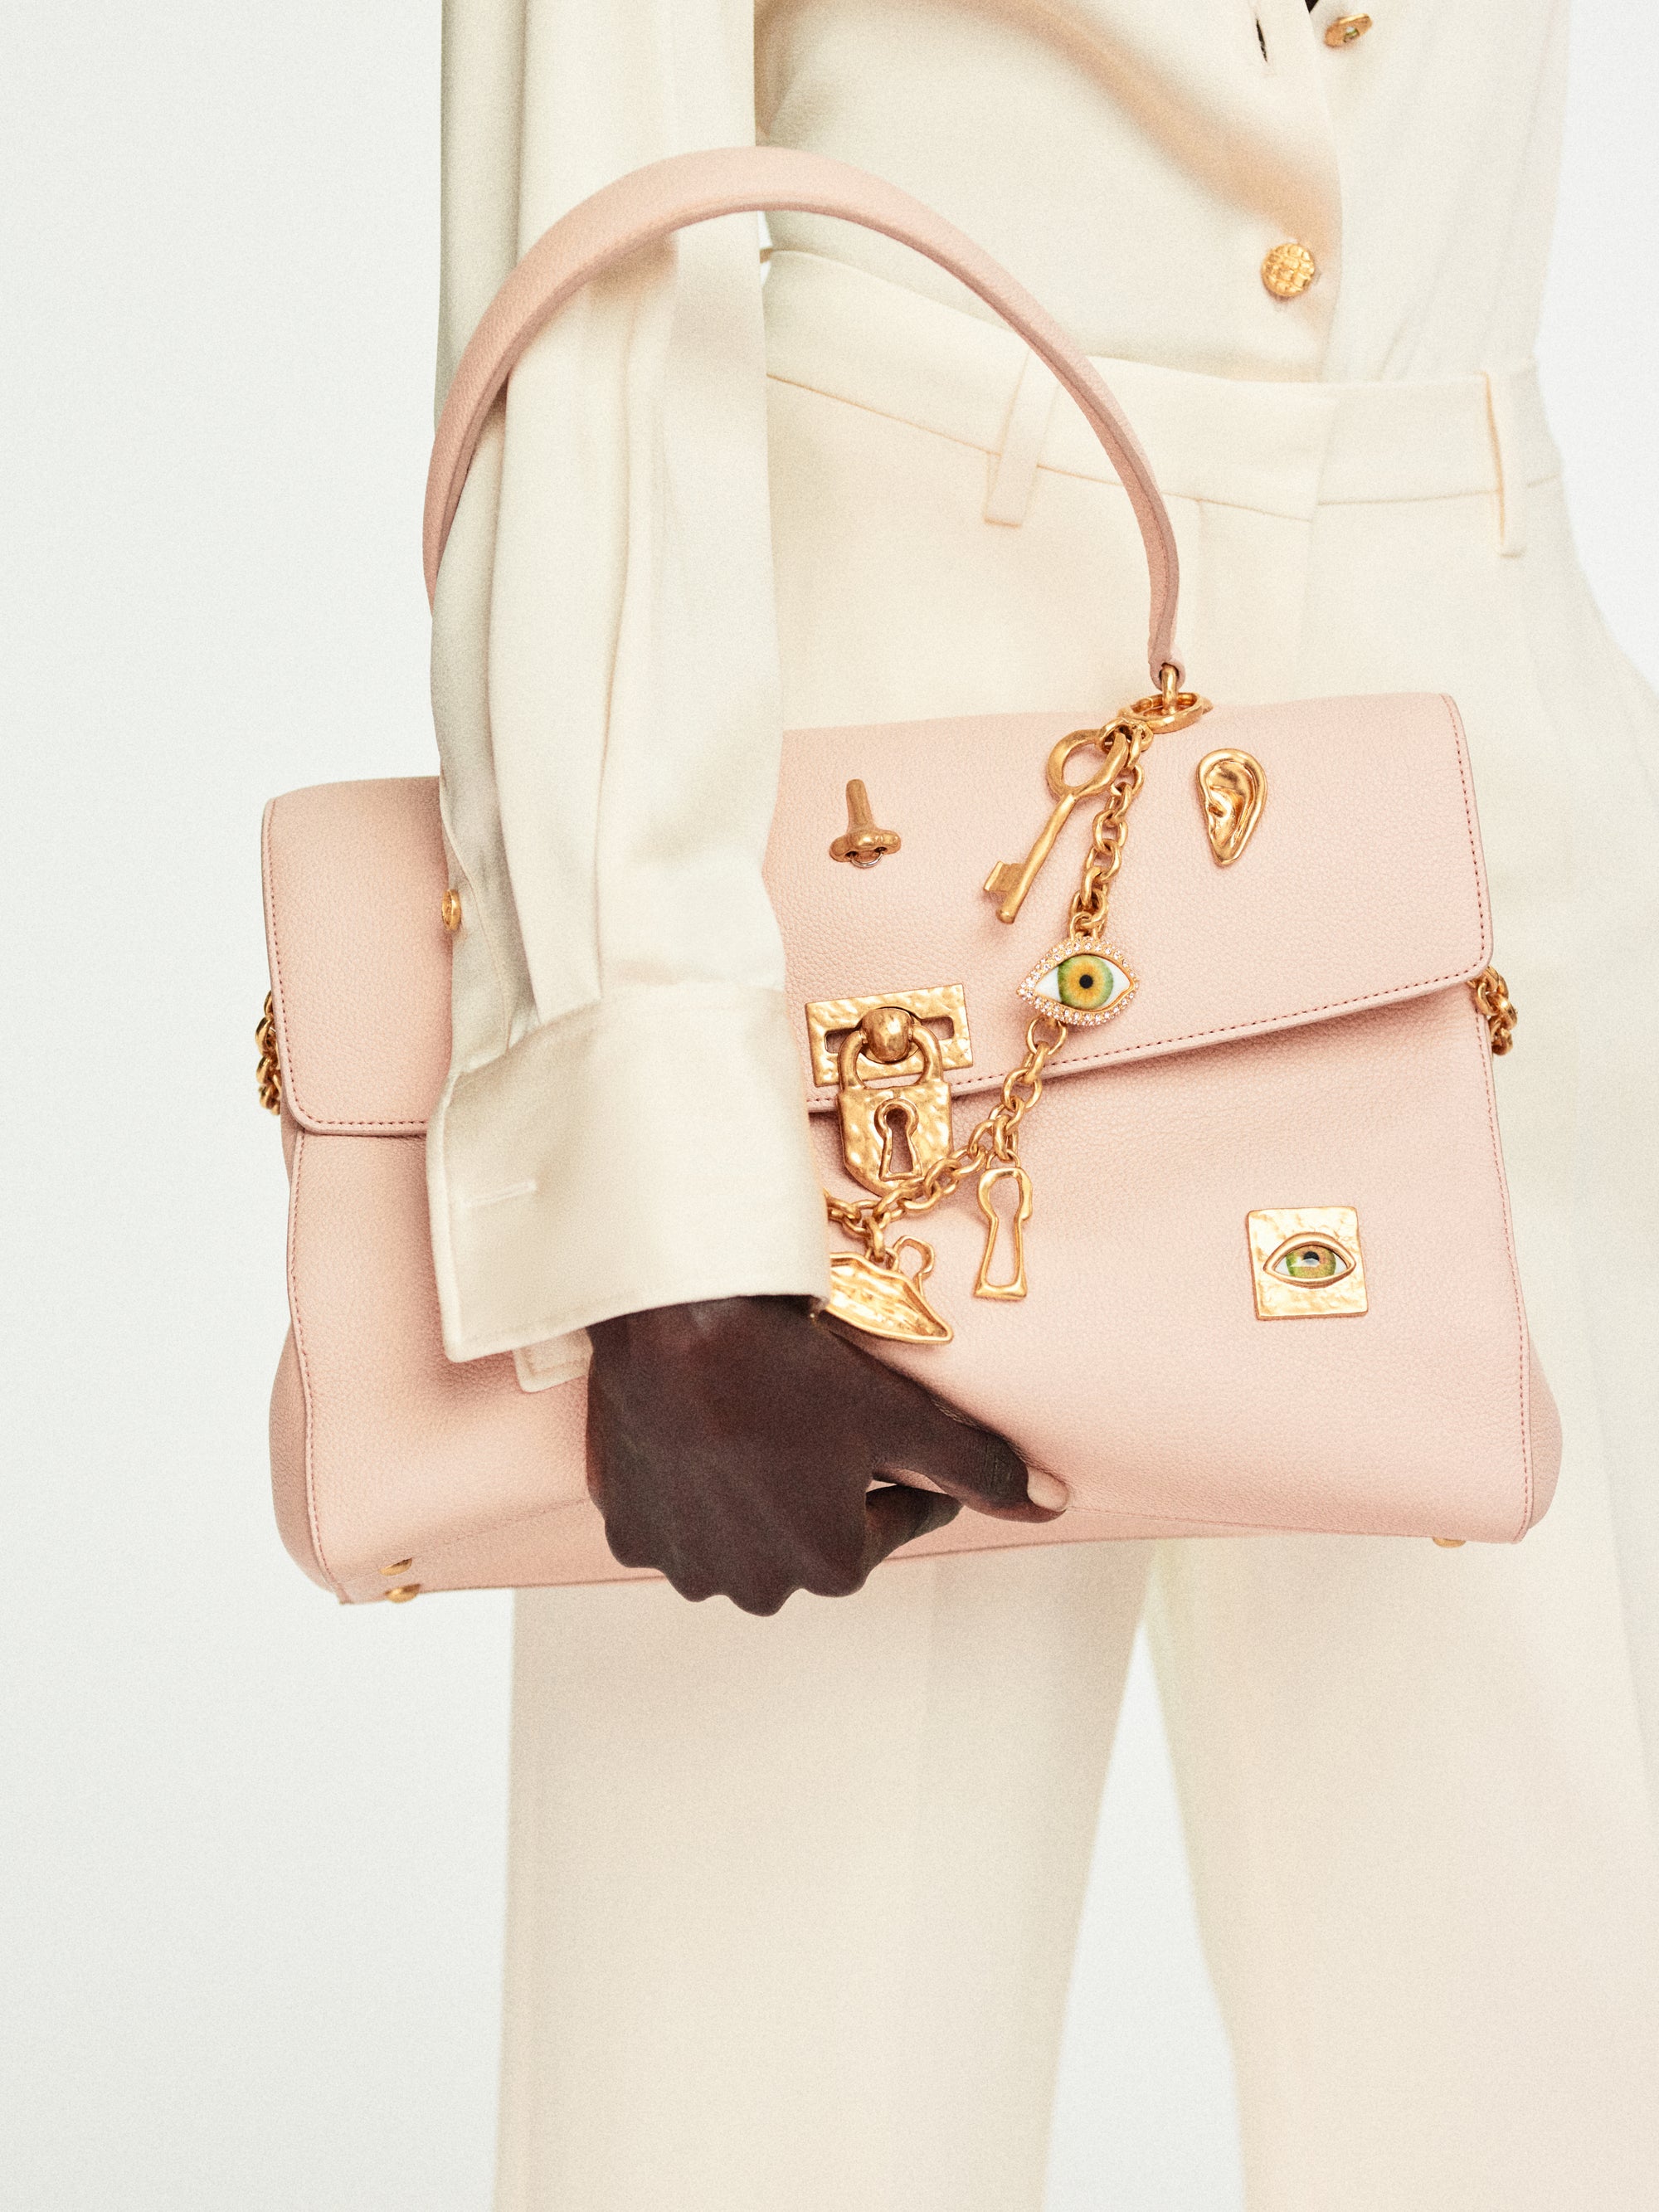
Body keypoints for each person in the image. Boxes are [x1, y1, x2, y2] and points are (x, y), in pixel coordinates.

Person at [431, 2, 1659, 2205]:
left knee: (1542, 2044)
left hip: (1476, 741)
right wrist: (657, 1158)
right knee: (756, 2081)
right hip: (865, 828)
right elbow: (594, 228)